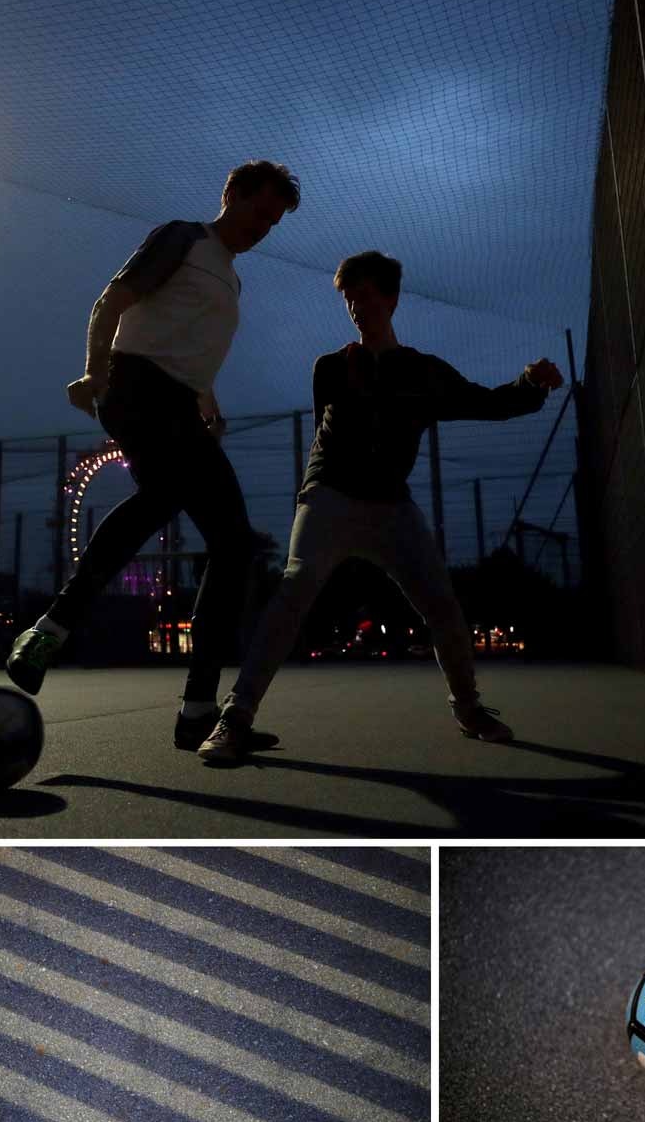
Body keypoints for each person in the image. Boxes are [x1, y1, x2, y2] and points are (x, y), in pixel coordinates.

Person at [197, 250, 563, 762]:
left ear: (390, 298)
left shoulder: (424, 372)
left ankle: (469, 708)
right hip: (329, 495)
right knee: (295, 588)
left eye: (365, 295)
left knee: (442, 604)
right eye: (350, 298)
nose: (356, 306)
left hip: (391, 505)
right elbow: (352, 425)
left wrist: (530, 383)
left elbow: (489, 403)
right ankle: (234, 719)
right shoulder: (332, 367)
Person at [5, 161, 300, 751]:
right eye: (259, 210)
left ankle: (63, 637)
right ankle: (183, 704)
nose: (264, 226)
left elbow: (189, 348)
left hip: (179, 405)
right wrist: (96, 372)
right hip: (137, 387)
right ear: (231, 196)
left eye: (274, 220)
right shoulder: (184, 237)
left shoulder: (232, 280)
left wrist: (208, 402)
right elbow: (111, 301)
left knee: (189, 517)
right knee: (217, 531)